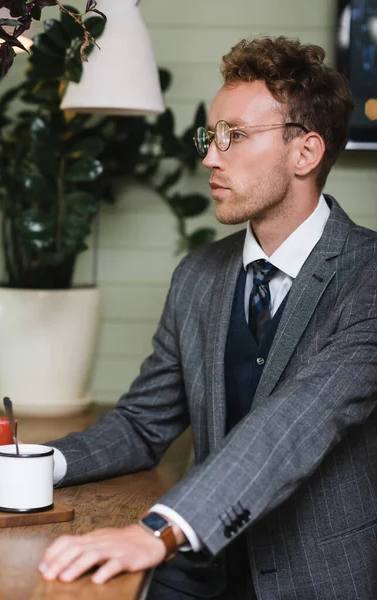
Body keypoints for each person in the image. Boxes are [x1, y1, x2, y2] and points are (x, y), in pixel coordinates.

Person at [39, 36, 377, 600]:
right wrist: (29, 464)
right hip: (204, 572)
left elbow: (294, 423)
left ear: (306, 153)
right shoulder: (197, 276)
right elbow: (143, 425)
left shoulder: (368, 277)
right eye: (210, 135)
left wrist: (157, 530)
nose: (209, 157)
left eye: (235, 136)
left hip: (316, 578)